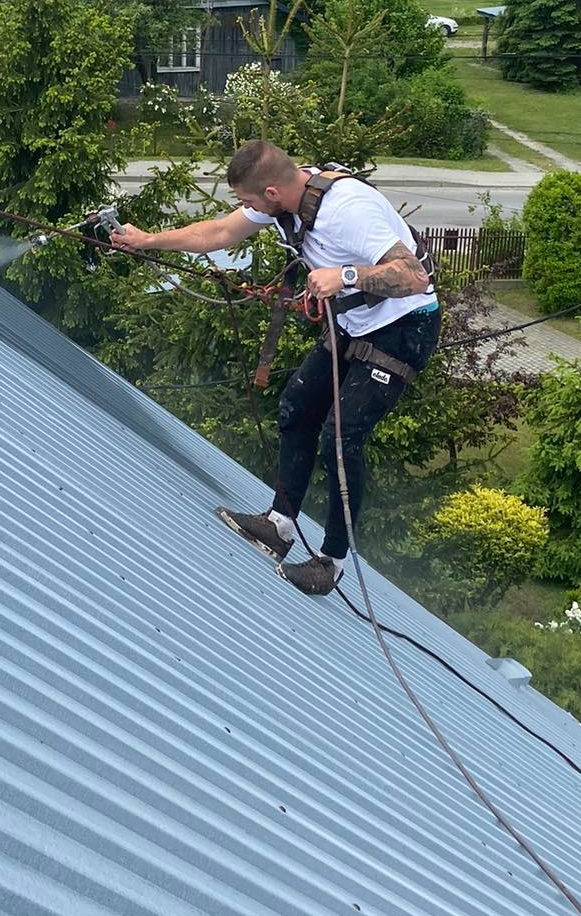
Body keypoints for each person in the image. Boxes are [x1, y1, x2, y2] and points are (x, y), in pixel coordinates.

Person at [112, 139, 440, 596]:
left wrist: (345, 276)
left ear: (270, 192)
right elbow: (218, 234)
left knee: (341, 440)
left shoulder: (347, 209)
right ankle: (279, 526)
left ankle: (332, 562)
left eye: (246, 200)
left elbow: (414, 277)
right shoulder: (287, 199)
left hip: (404, 328)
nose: (244, 209)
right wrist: (147, 240)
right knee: (296, 409)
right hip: (353, 320)